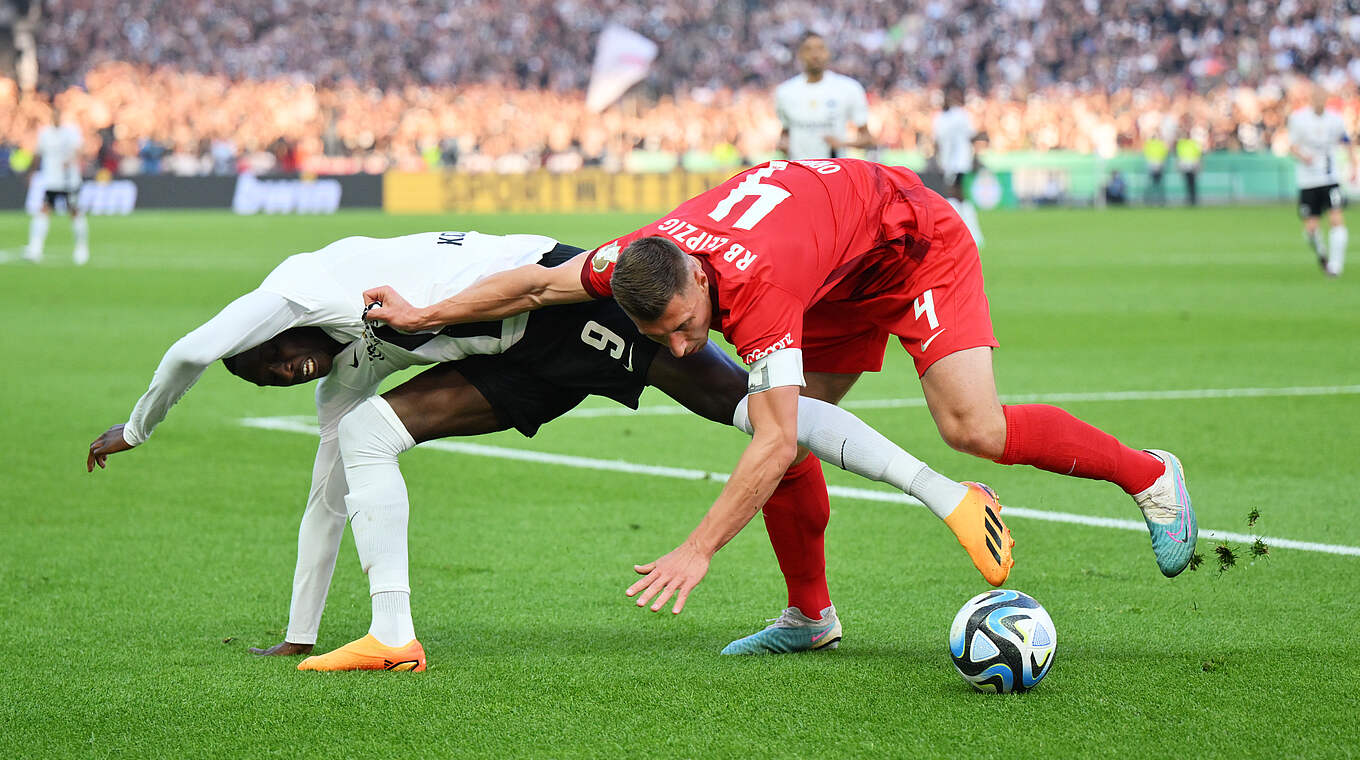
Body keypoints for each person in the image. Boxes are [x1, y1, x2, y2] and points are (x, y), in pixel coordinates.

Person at [87, 229, 988, 666]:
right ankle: (391, 635)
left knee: (745, 406)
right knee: (357, 436)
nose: (284, 372)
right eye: (273, 380)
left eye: (276, 363)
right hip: (509, 360)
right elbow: (326, 498)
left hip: (552, 300)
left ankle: (937, 488)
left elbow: (188, 350)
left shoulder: (297, 293)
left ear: (272, 332)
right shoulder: (342, 366)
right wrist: (293, 635)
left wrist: (137, 427)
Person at [367, 158, 1198, 632]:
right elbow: (538, 287)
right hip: (831, 269)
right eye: (660, 339)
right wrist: (426, 313)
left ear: (699, 277)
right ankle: (811, 617)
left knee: (967, 427)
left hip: (908, 246)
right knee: (794, 435)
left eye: (687, 326)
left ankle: (1150, 476)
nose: (685, 348)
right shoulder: (634, 260)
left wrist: (697, 549)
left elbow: (770, 435)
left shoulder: (755, 288)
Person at [1288, 85, 1357, 277]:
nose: (1319, 99)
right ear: (1310, 98)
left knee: (1336, 218)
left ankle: (1335, 266)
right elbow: (1292, 146)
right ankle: (1322, 255)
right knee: (1310, 228)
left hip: (1329, 178)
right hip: (1308, 180)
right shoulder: (1298, 119)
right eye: (1315, 96)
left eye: (1322, 96)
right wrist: (1303, 157)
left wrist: (1353, 166)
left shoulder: (1335, 119)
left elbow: (1346, 141)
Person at [773, 32, 873, 160]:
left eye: (820, 48)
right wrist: (782, 145)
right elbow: (786, 133)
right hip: (799, 172)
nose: (815, 55)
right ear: (800, 54)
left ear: (828, 53)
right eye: (808, 49)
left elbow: (868, 139)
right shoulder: (785, 92)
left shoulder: (848, 88)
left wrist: (842, 143)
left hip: (832, 172)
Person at [24, 109, 89, 265]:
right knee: (44, 210)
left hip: (69, 181)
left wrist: (71, 160)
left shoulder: (71, 132)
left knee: (74, 212)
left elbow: (80, 149)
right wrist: (32, 172)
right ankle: (35, 247)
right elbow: (38, 154)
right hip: (52, 180)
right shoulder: (45, 133)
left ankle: (81, 248)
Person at [933, 86, 984, 245]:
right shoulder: (945, 117)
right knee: (956, 194)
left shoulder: (952, 116)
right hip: (952, 162)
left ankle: (965, 230)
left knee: (954, 193)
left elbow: (970, 136)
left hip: (957, 161)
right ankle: (966, 229)